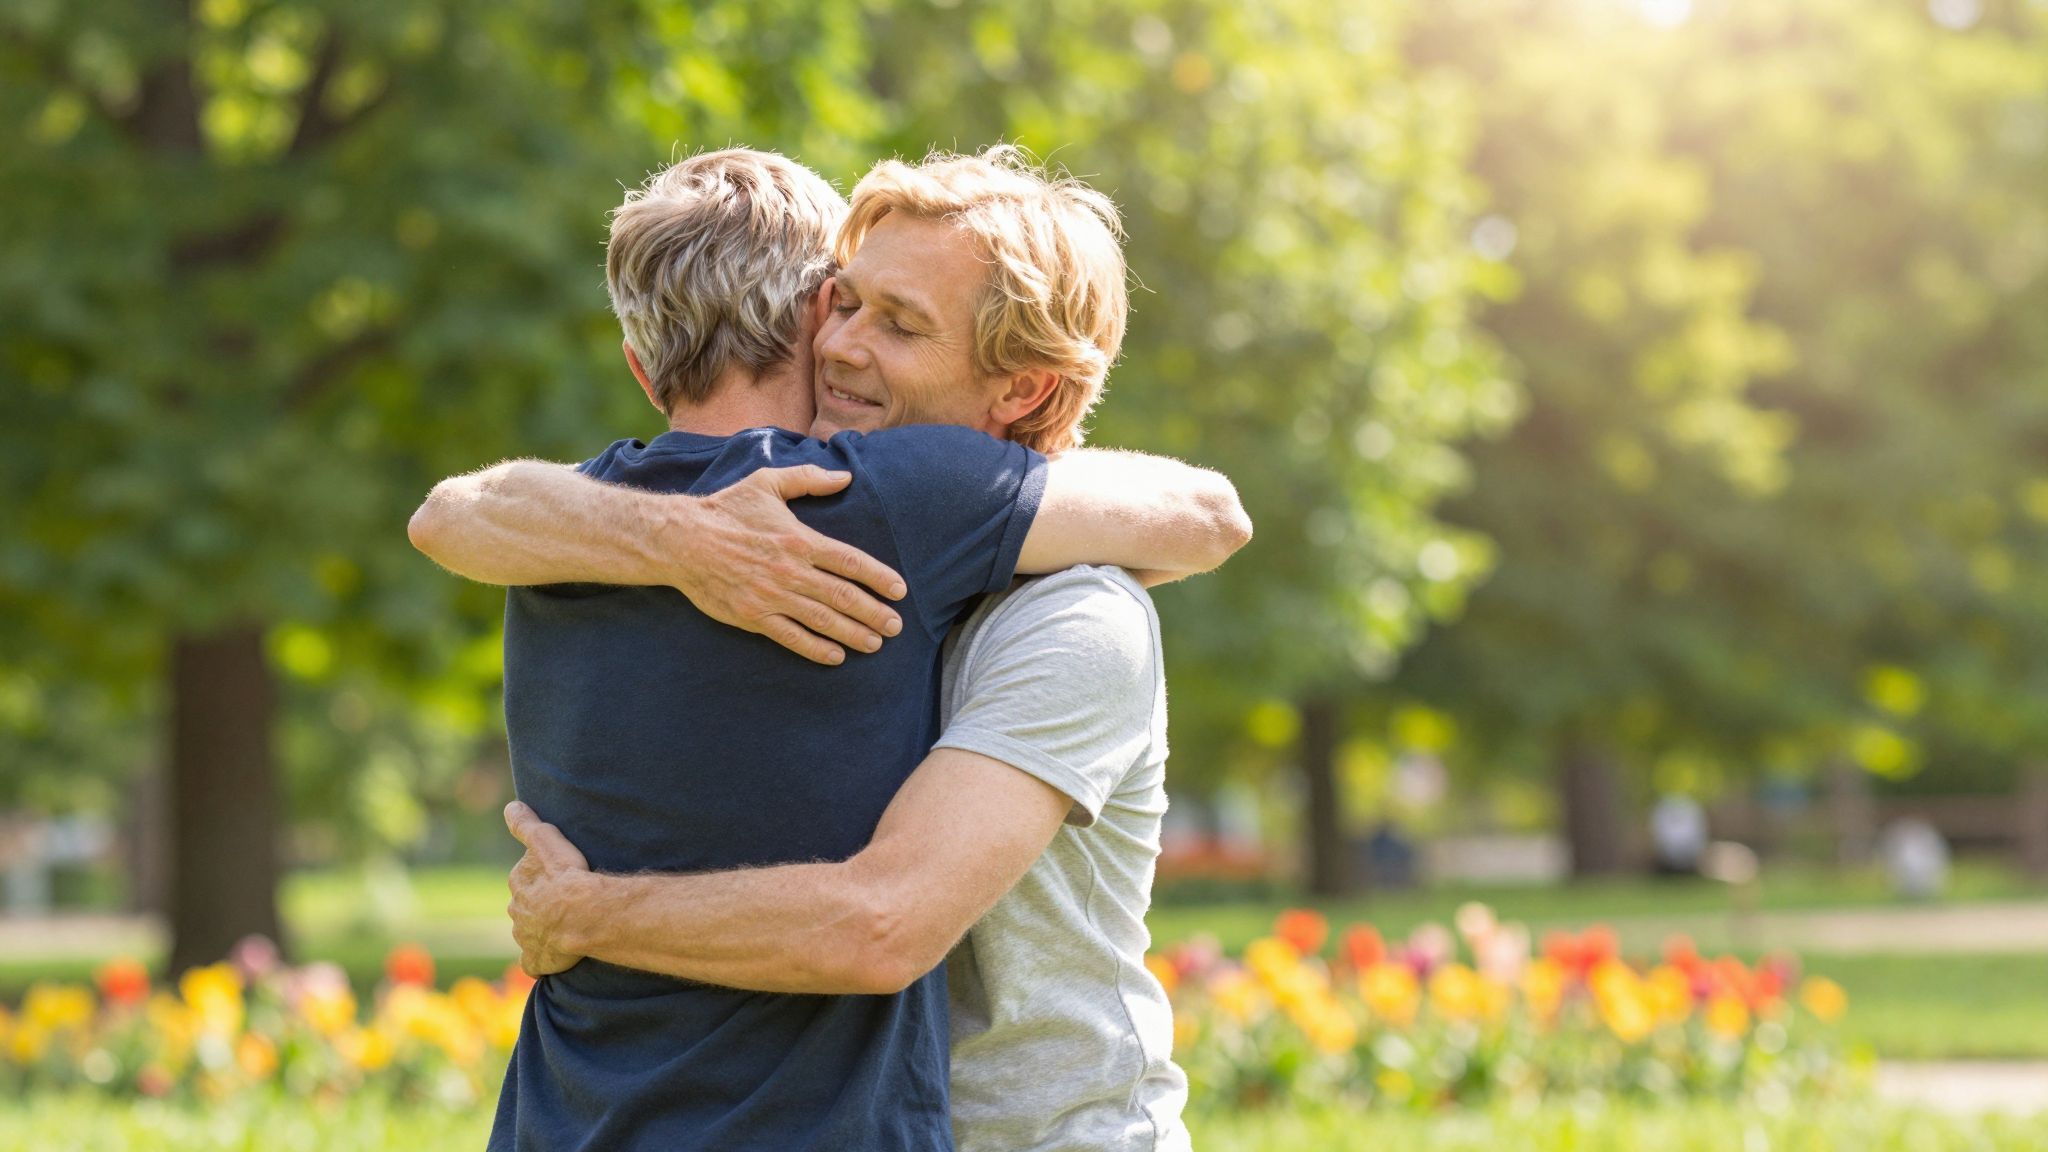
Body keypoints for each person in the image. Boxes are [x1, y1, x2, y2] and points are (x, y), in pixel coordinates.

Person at [409, 147, 1246, 1151]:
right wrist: (685, 541)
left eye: (897, 324)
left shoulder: (1072, 614)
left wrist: (586, 916)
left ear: (1019, 391)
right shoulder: (778, 518)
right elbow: (457, 512)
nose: (840, 343)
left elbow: (879, 922)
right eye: (842, 303)